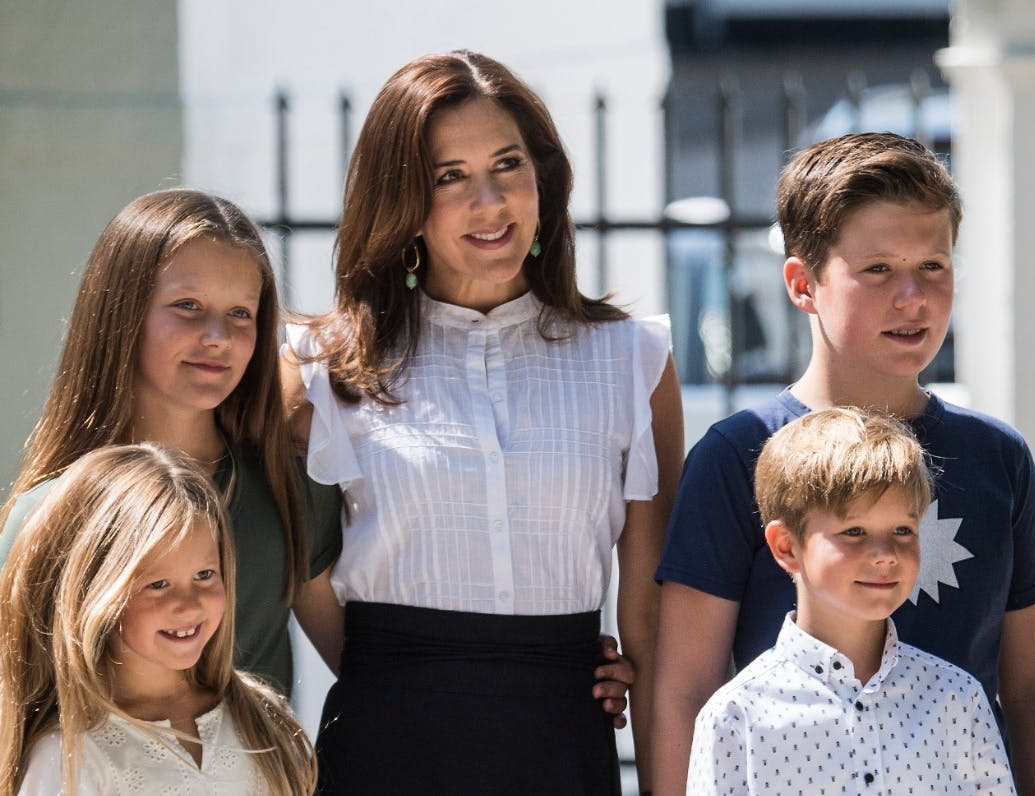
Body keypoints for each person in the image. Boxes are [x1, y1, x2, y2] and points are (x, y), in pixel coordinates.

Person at [283, 50, 682, 794]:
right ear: (401, 198)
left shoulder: (633, 361)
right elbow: (299, 569)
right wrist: (408, 673)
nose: (489, 202)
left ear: (544, 178)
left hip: (562, 741)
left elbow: (651, 618)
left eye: (507, 165)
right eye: (449, 177)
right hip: (387, 744)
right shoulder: (316, 368)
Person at [654, 132, 1035, 795]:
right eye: (876, 269)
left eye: (933, 266)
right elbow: (686, 688)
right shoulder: (734, 456)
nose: (912, 296)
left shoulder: (998, 458)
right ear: (802, 283)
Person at [0, 188, 343, 695]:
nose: (217, 336)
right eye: (187, 306)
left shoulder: (289, 484)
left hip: (266, 775)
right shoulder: (51, 512)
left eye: (241, 314)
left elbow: (364, 671)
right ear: (122, 315)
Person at [687, 407, 1016, 795]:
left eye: (903, 530)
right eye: (854, 531)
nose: (886, 554)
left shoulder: (957, 700)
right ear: (786, 546)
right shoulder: (736, 716)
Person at [0, 444, 316, 795]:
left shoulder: (265, 720)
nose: (188, 604)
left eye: (205, 575)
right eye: (158, 584)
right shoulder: (68, 755)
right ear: (97, 592)